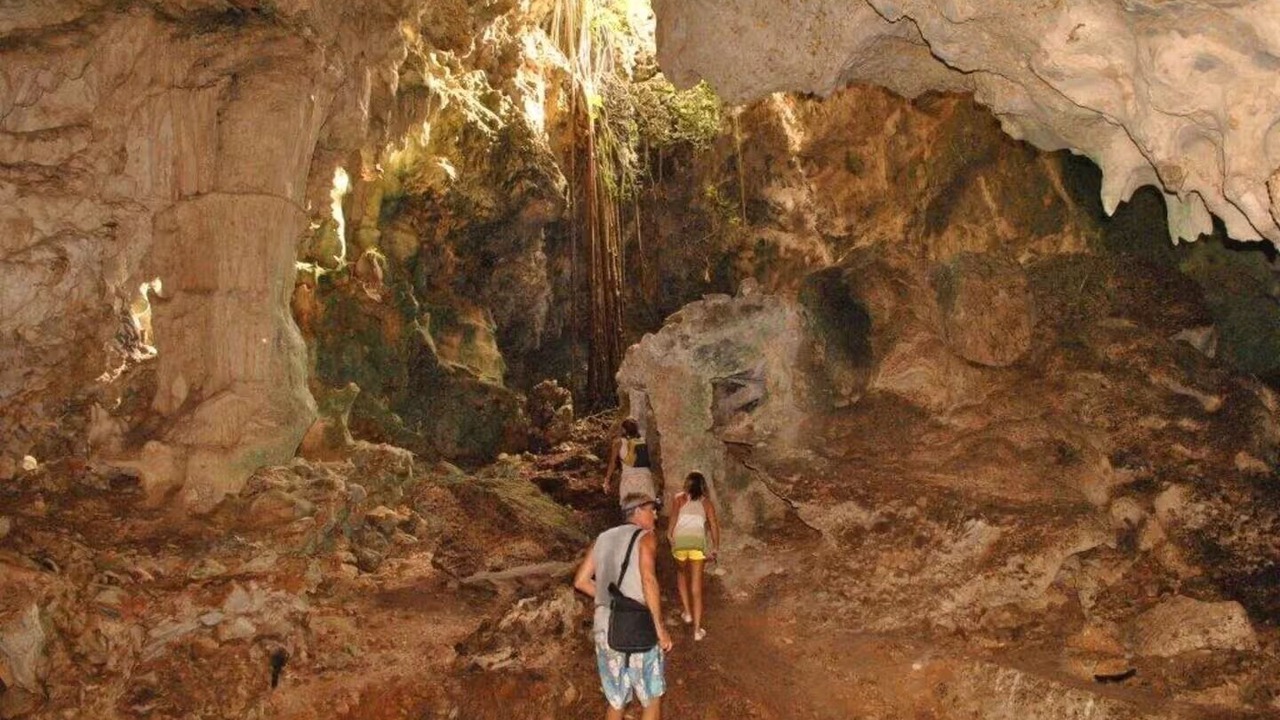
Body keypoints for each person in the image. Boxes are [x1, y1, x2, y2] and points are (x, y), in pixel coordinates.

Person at [573, 493, 674, 720]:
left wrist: (611, 601)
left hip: (604, 628)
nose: (655, 514)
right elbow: (648, 580)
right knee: (651, 697)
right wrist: (659, 629)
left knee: (616, 701)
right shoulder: (646, 537)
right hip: (637, 624)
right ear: (637, 511)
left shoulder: (603, 537)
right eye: (651, 509)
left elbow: (580, 581)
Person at [667, 471, 721, 641]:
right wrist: (715, 548)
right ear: (703, 487)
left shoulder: (678, 498)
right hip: (697, 544)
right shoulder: (706, 503)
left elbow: (674, 518)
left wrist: (669, 536)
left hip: (680, 543)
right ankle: (697, 631)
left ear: (686, 485)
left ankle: (687, 613)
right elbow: (713, 525)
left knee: (681, 573)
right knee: (696, 589)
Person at [603, 418, 656, 501]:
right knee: (647, 510)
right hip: (645, 477)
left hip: (629, 478)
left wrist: (607, 480)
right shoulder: (643, 441)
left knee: (630, 510)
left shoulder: (618, 442)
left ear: (624, 429)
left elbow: (612, 463)